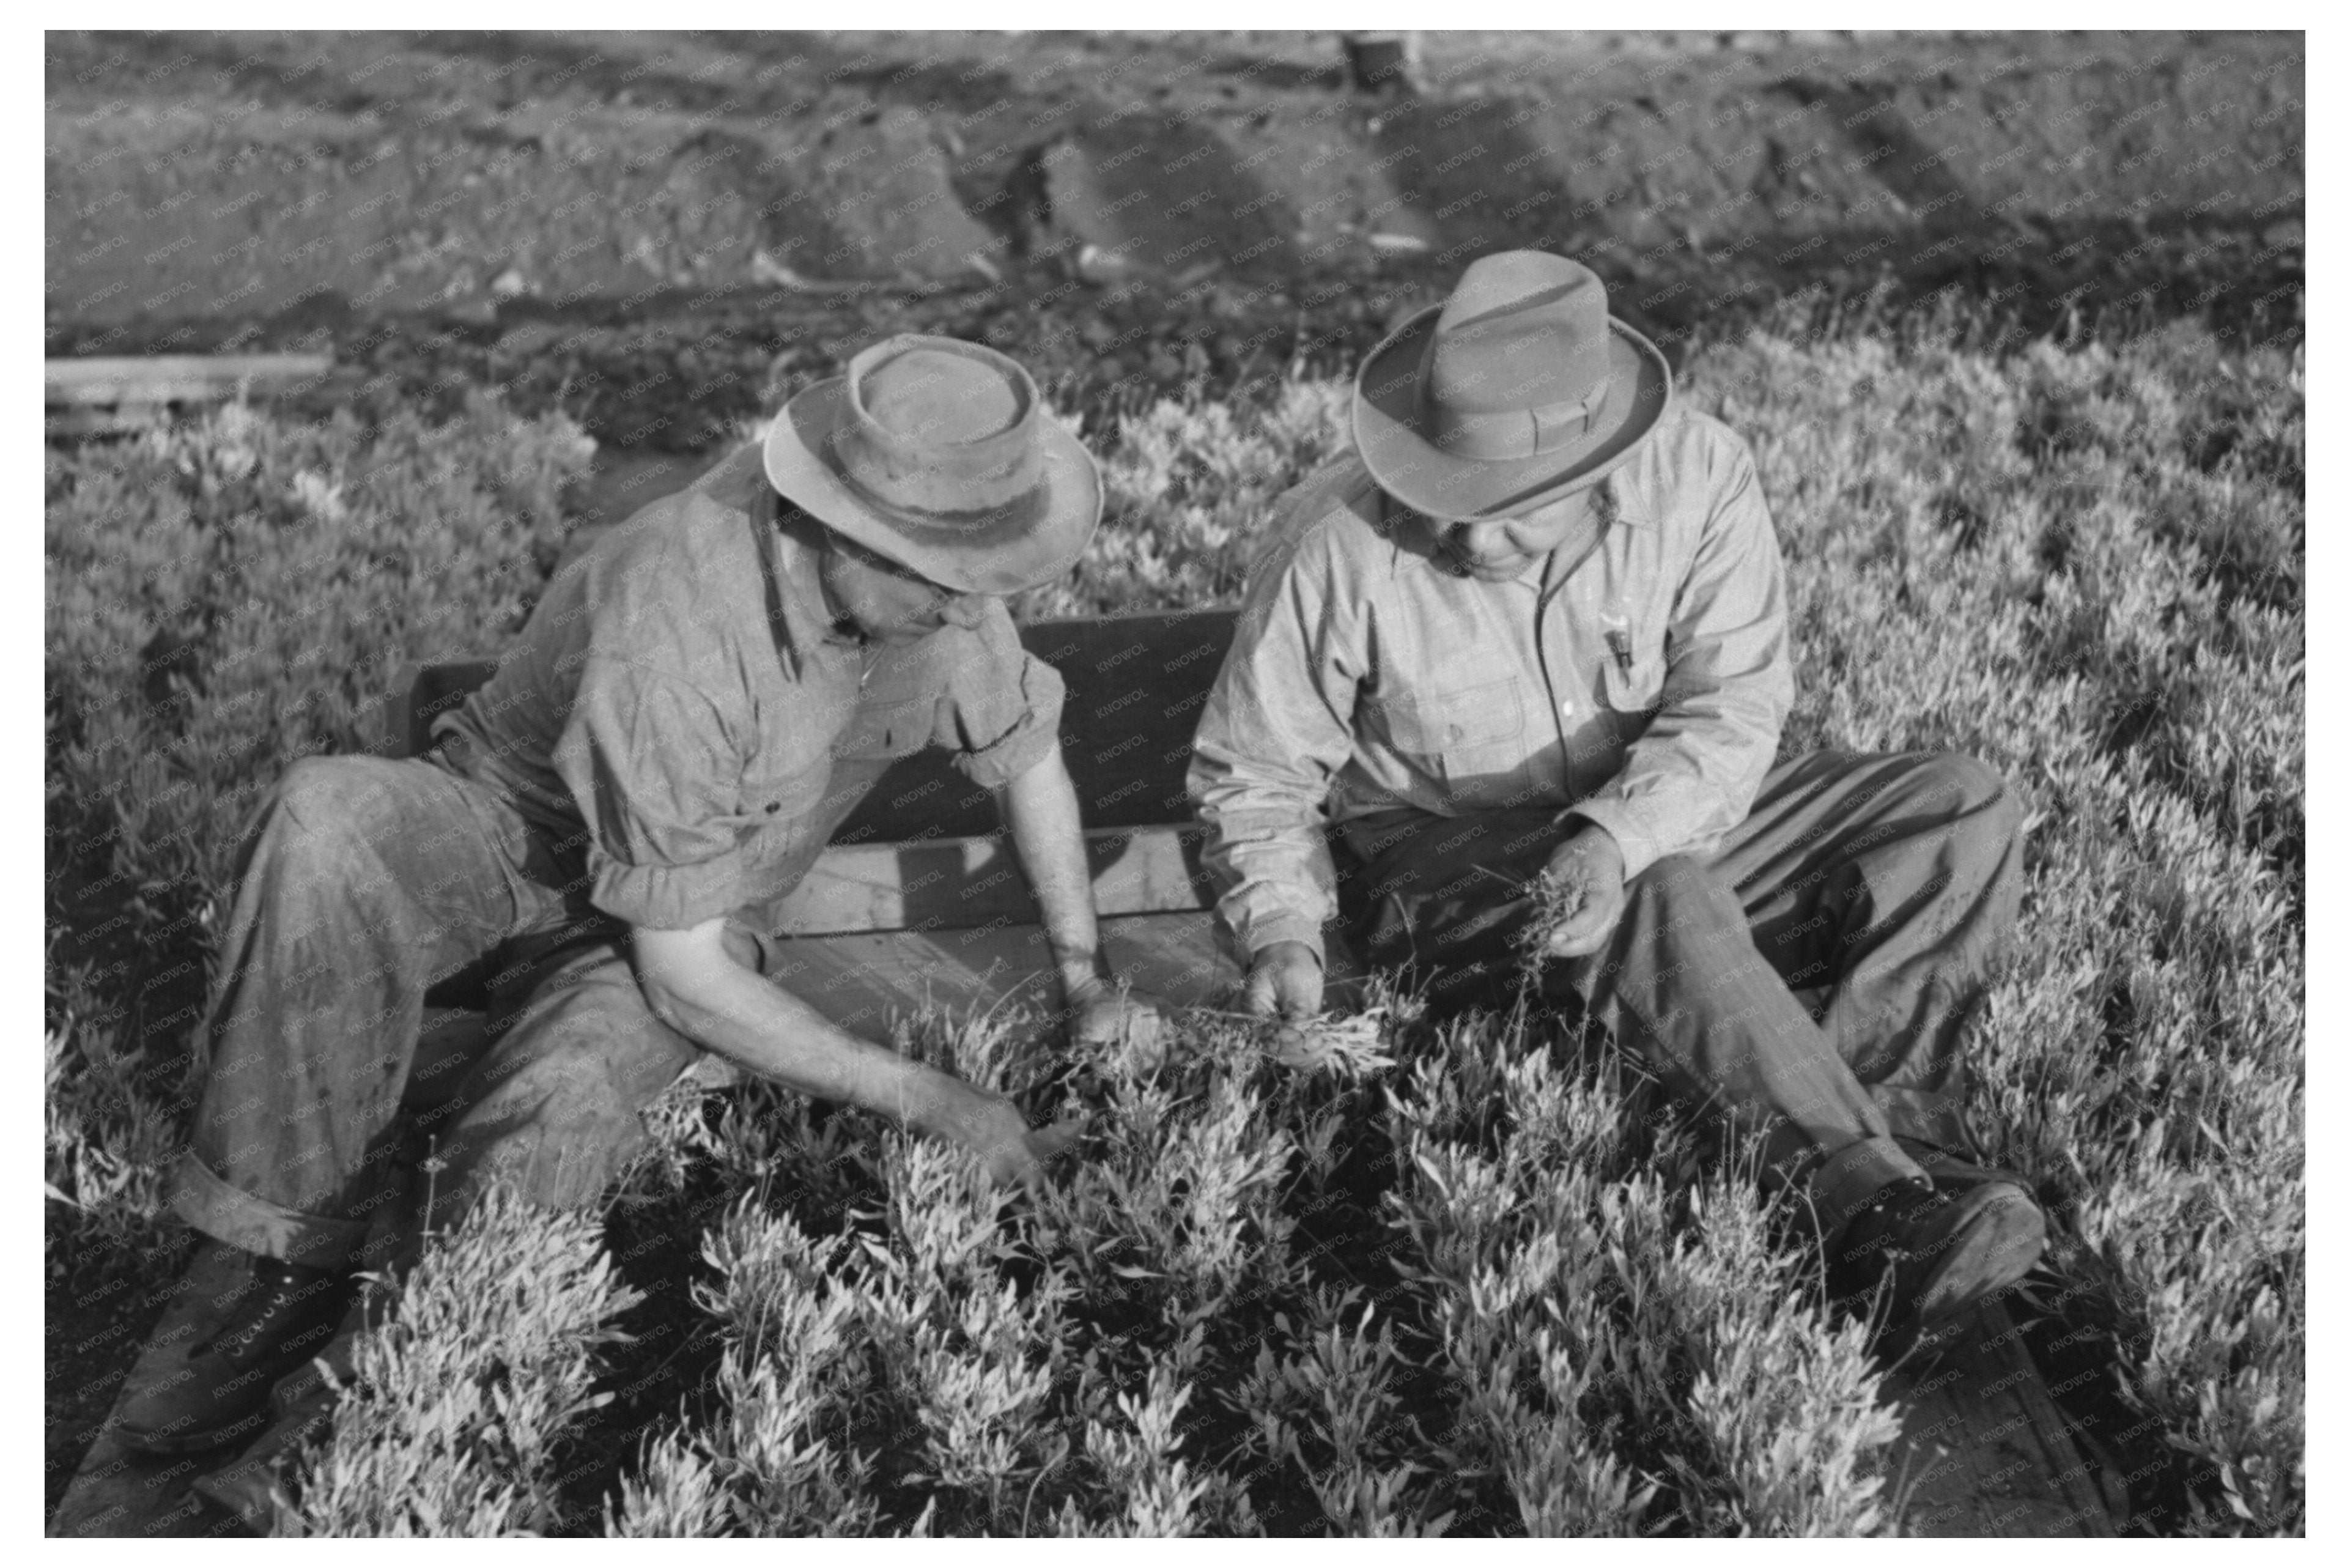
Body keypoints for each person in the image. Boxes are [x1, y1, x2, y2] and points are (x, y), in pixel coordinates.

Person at [117, 335, 1166, 1476]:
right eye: (946, 580)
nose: (973, 612)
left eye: (987, 579)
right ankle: (271, 1267)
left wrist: (1083, 977)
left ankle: (381, 1383)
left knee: (563, 1091)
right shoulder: (684, 609)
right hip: (519, 838)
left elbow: (1027, 758)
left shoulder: (948, 590)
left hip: (697, 907)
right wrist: (938, 1104)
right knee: (325, 823)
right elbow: (685, 982)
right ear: (841, 529)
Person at [1188, 251, 2045, 1348]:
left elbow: (1732, 707)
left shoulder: (1702, 477)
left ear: (1602, 465)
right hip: (1439, 865)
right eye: (1446, 494)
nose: (1465, 534)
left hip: (1644, 820)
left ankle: (1904, 1150)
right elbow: (1256, 774)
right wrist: (1282, 935)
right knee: (1662, 884)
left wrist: (1610, 834)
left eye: (1508, 510)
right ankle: (1856, 1203)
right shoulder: (1334, 542)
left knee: (1959, 806)